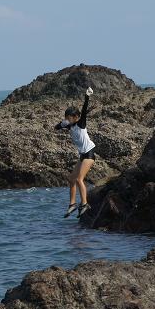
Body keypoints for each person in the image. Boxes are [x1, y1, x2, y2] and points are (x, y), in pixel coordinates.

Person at [55, 87, 96, 218]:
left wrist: (87, 97)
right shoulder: (69, 125)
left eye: (69, 117)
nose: (67, 119)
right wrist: (62, 124)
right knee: (71, 179)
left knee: (79, 179)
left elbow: (84, 111)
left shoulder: (81, 123)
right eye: (66, 117)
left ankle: (84, 204)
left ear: (76, 117)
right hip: (82, 155)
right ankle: (72, 205)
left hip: (89, 154)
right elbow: (56, 128)